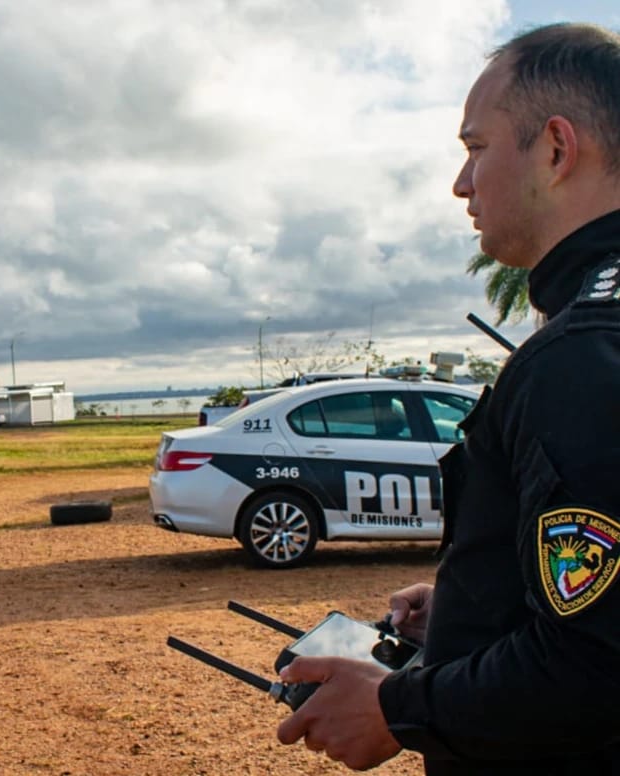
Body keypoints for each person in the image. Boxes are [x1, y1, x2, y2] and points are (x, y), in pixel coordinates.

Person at [276, 21, 620, 774]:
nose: (461, 184)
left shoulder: (580, 356)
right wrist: (472, 606)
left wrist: (398, 709)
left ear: (556, 150)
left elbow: (596, 664)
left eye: (475, 149)